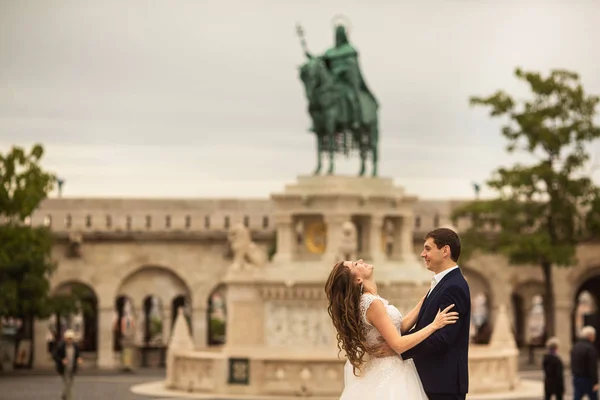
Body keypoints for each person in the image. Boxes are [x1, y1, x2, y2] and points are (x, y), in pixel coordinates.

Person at [324, 258, 459, 399]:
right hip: (390, 372)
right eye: (355, 264)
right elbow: (399, 345)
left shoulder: (370, 300)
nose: (360, 260)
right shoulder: (372, 304)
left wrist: (427, 298)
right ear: (358, 280)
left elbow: (400, 327)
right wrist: (434, 325)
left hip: (389, 369)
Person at [52, 329, 82, 400]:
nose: (69, 340)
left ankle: (64, 395)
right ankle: (69, 398)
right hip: (64, 368)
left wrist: (79, 358)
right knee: (67, 383)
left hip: (72, 367)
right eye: (68, 339)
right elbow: (55, 355)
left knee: (70, 383)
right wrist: (62, 360)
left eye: (71, 339)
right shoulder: (61, 346)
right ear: (65, 339)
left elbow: (78, 354)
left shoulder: (75, 346)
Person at [571, 325, 599, 400]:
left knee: (577, 397)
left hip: (576, 377)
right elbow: (593, 367)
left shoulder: (576, 346)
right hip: (588, 378)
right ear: (590, 336)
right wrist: (595, 382)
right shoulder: (590, 348)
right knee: (593, 397)